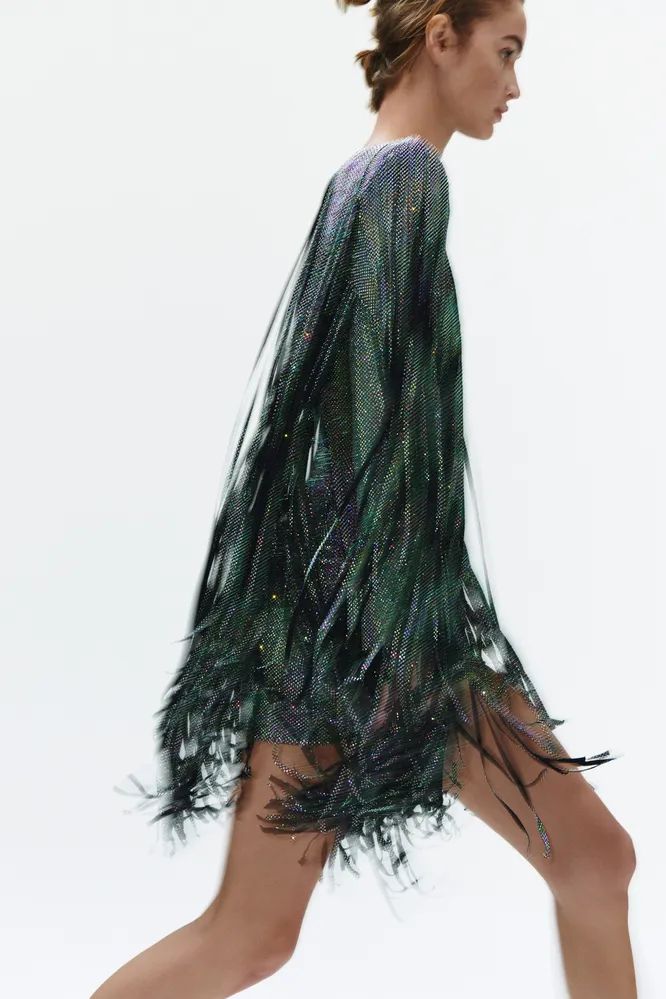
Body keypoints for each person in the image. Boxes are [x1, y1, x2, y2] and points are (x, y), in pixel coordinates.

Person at [92, 2, 638, 998]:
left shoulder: (362, 175)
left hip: (337, 623)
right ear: (442, 36)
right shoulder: (407, 179)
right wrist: (393, 650)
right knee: (593, 861)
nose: (515, 85)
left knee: (250, 936)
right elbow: (355, 438)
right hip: (378, 633)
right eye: (506, 51)